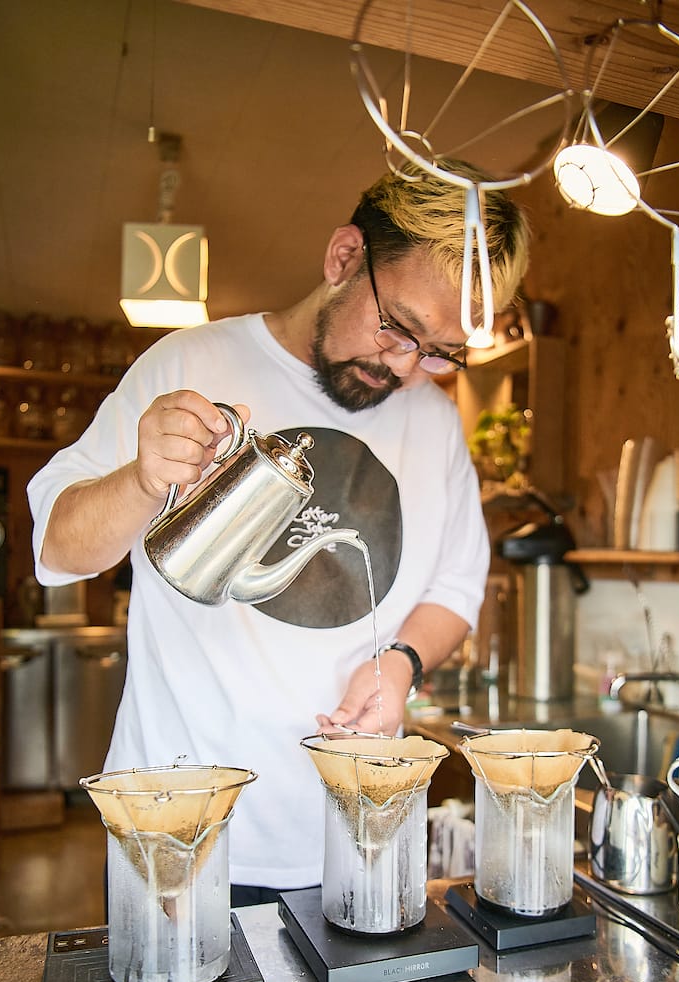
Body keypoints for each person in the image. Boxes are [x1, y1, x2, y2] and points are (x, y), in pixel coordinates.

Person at [28, 158, 529, 905]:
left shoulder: (433, 421)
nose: (404, 366)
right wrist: (139, 479)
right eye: (400, 329)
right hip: (182, 834)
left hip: (360, 833)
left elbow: (454, 586)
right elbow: (55, 552)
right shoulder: (189, 364)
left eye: (439, 353)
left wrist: (398, 668)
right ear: (344, 258)